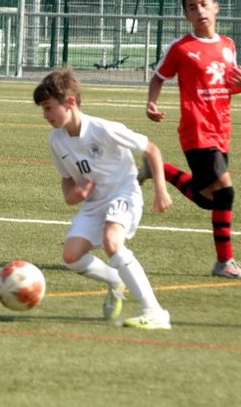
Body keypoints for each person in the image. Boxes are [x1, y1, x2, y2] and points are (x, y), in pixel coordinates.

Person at [34, 67, 173, 329]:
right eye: (43, 109)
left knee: (112, 242)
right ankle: (114, 280)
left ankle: (154, 311)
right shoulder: (56, 140)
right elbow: (66, 179)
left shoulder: (103, 129)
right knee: (71, 257)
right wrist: (73, 195)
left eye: (49, 108)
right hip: (94, 204)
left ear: (70, 102)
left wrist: (160, 190)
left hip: (123, 193)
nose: (45, 115)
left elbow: (151, 150)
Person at [145, 0, 241, 280]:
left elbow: (226, 87)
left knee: (209, 199)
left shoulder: (228, 45)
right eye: (192, 7)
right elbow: (158, 77)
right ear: (186, 15)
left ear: (216, 7)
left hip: (221, 129)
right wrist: (151, 102)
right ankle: (224, 262)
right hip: (196, 130)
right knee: (226, 192)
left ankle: (158, 168)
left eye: (204, 4)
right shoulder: (181, 48)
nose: (200, 10)